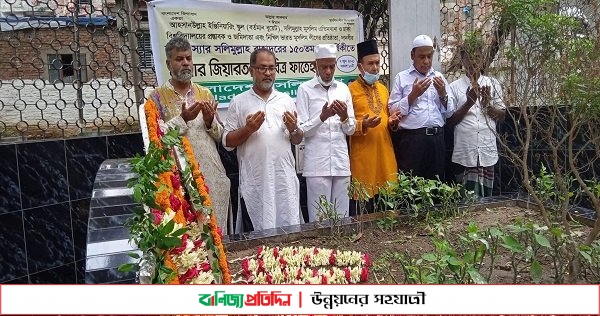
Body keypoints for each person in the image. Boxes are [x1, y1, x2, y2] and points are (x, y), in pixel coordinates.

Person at [146, 36, 231, 233]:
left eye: (188, 58)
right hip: (178, 178)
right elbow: (156, 139)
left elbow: (221, 136)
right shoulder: (157, 98)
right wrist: (182, 120)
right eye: (179, 59)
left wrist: (210, 122)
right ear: (169, 63)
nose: (185, 62)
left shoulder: (205, 94)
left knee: (217, 234)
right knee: (189, 240)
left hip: (211, 174)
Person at [222, 48, 303, 232]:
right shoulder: (239, 101)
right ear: (251, 70)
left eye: (271, 68)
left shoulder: (285, 100)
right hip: (256, 181)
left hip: (283, 179)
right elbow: (227, 142)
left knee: (288, 230)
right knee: (260, 235)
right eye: (262, 68)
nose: (268, 73)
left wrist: (294, 128)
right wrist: (248, 129)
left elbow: (297, 139)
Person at [296, 44, 356, 223]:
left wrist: (345, 117)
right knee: (319, 219)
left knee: (341, 217)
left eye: (332, 66)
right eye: (324, 67)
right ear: (315, 65)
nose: (328, 71)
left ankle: (343, 250)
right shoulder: (304, 90)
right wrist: (322, 117)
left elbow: (351, 129)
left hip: (340, 162)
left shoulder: (343, 89)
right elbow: (302, 131)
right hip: (317, 165)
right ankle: (322, 251)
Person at [388, 34, 454, 181]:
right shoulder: (402, 77)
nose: (426, 61)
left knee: (436, 187)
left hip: (436, 140)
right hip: (412, 141)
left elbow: (450, 112)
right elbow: (392, 110)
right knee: (412, 188)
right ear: (413, 55)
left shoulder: (438, 77)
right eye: (422, 57)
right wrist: (413, 95)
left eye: (429, 56)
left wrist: (443, 94)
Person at [446, 36, 506, 197]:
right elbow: (450, 122)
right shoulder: (454, 87)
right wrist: (468, 103)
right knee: (466, 201)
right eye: (469, 57)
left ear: (483, 59)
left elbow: (502, 116)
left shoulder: (492, 83)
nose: (473, 61)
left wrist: (487, 105)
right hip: (465, 150)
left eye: (477, 57)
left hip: (487, 149)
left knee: (486, 200)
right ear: (463, 59)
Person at [348, 39, 400, 214]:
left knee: (386, 205)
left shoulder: (384, 89)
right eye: (370, 63)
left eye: (377, 63)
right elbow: (345, 124)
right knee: (363, 205)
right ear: (360, 66)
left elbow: (388, 117)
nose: (375, 68)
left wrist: (393, 122)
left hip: (385, 153)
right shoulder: (350, 90)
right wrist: (363, 124)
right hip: (363, 156)